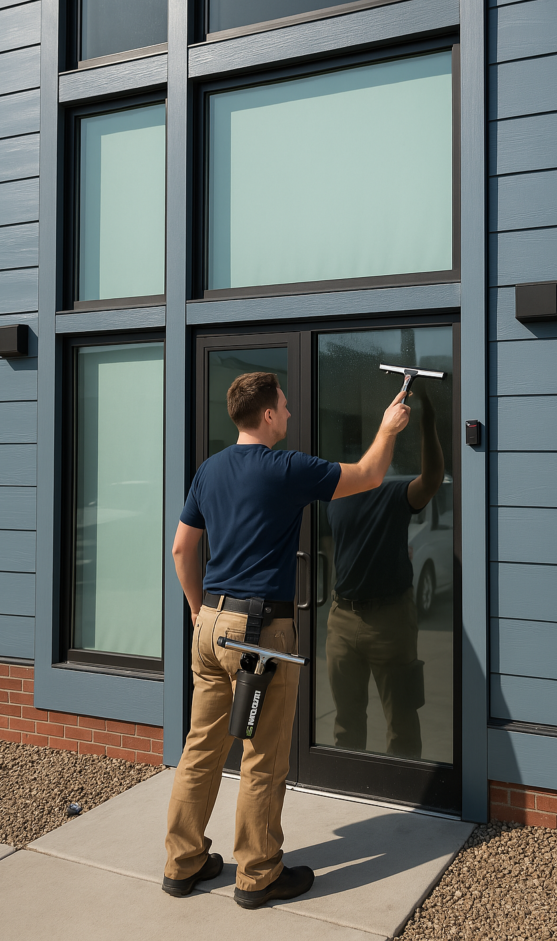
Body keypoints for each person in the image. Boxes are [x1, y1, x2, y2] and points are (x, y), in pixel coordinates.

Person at [162, 371, 410, 909]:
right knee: (263, 757)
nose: (292, 413)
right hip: (259, 636)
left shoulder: (209, 469)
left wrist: (198, 610)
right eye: (286, 406)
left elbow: (183, 550)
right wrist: (389, 427)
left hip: (210, 628)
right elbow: (369, 474)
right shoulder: (286, 468)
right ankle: (258, 874)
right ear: (268, 415)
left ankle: (182, 865)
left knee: (200, 748)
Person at [324, 385, 445, 759]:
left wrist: (429, 423)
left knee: (403, 723)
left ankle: (403, 800)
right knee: (346, 724)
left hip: (390, 620)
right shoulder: (335, 496)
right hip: (342, 619)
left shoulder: (392, 495)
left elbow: (430, 482)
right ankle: (349, 790)